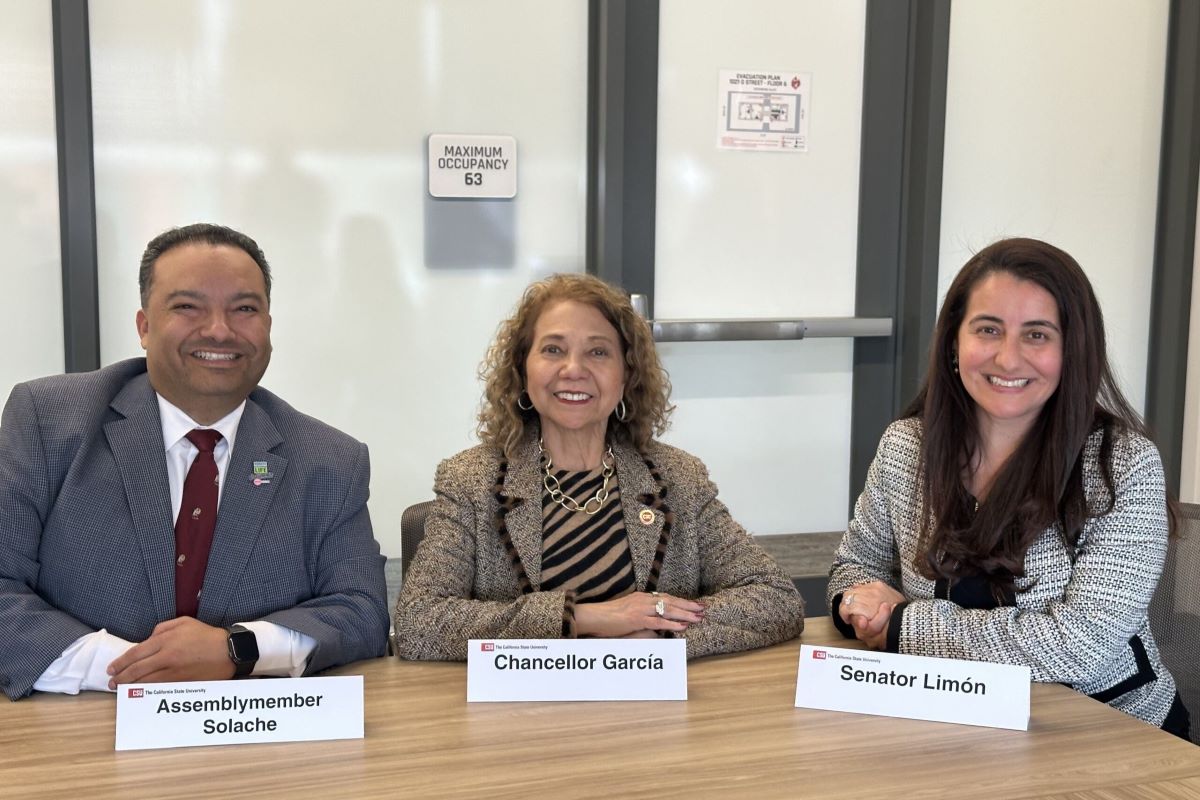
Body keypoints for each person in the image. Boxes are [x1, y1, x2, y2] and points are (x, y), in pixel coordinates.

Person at [0, 223, 389, 700]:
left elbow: (361, 610)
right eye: (188, 307)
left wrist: (236, 651)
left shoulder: (329, 460)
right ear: (144, 327)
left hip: (257, 733)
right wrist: (132, 670)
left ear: (268, 327)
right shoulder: (49, 422)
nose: (219, 331)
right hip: (77, 730)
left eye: (244, 309)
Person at [828, 237, 1188, 736]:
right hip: (941, 722)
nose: (1008, 358)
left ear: (1072, 349)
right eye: (988, 329)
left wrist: (905, 626)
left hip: (1099, 731)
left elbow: (1080, 647)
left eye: (1036, 335)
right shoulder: (906, 445)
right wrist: (854, 603)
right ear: (955, 341)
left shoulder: (1121, 464)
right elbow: (857, 566)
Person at [395, 273, 803, 659]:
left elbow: (774, 598)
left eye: (598, 352)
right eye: (553, 349)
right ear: (522, 369)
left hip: (650, 709)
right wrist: (584, 618)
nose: (574, 370)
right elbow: (419, 623)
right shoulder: (472, 481)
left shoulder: (678, 478)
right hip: (520, 715)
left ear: (626, 374)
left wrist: (659, 633)